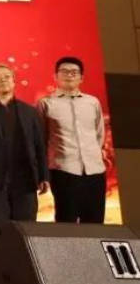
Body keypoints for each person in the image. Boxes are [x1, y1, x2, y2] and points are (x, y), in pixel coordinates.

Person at [0, 63, 49, 237]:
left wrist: (43, 176)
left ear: (14, 81)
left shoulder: (30, 112)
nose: (3, 80)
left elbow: (39, 145)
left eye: (7, 77)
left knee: (27, 230)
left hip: (26, 180)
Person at [38, 56, 107, 224]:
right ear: (55, 76)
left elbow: (99, 134)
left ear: (81, 78)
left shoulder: (92, 102)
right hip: (63, 171)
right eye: (64, 71)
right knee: (66, 222)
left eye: (74, 72)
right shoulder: (46, 103)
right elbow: (41, 139)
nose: (69, 75)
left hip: (95, 171)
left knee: (95, 222)